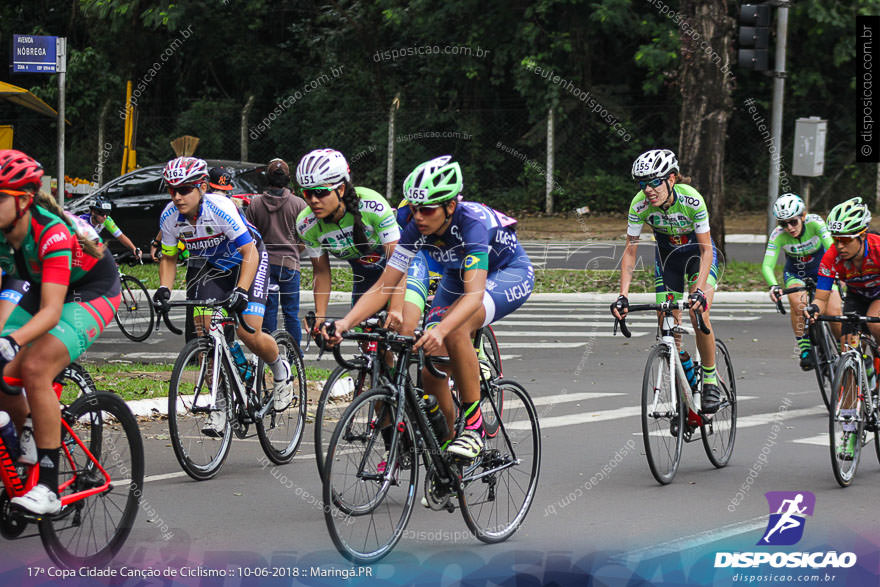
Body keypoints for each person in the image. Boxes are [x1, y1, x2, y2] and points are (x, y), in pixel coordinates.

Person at [324, 155, 534, 461]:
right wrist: (344, 323)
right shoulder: (415, 226)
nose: (418, 217)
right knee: (430, 367)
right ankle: (446, 455)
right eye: (415, 208)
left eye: (427, 210)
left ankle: (474, 428)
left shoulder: (472, 223)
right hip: (455, 271)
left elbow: (474, 295)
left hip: (507, 271)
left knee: (455, 327)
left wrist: (443, 329)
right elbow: (386, 284)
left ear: (450, 206)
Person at [0, 150, 120, 514]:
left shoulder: (51, 231)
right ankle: (22, 445)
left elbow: (52, 311)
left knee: (34, 365)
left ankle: (48, 488)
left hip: (89, 289)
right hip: (32, 282)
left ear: (23, 201)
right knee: (3, 373)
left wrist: (12, 340)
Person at [154, 157, 293, 434]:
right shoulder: (169, 216)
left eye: (184, 189)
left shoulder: (221, 208)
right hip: (212, 268)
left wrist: (242, 290)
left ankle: (281, 371)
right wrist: (164, 289)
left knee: (248, 331)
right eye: (172, 190)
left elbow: (249, 251)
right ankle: (219, 404)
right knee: (206, 334)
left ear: (202, 186)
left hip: (249, 259)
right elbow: (168, 257)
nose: (177, 196)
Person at [610, 148, 722, 413]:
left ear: (671, 179)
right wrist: (623, 295)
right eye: (642, 183)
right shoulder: (639, 204)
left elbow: (706, 249)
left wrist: (699, 292)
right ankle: (685, 380)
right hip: (668, 261)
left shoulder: (692, 200)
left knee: (698, 315)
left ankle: (709, 379)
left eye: (654, 182)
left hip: (699, 257)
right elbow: (630, 251)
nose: (648, 189)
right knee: (666, 328)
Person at [805, 197, 877, 459]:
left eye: (846, 239)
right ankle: (849, 432)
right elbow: (823, 297)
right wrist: (813, 309)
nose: (840, 245)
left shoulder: (878, 248)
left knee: (875, 321)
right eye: (836, 239)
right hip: (856, 296)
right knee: (849, 349)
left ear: (862, 235)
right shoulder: (832, 255)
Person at [295, 149, 400, 324]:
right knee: (364, 335)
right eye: (307, 193)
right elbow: (321, 272)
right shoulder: (306, 224)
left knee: (402, 329)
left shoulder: (373, 205)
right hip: (366, 277)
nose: (313, 200)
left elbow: (398, 261)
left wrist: (395, 308)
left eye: (320, 192)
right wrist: (320, 316)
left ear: (341, 189)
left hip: (402, 269)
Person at [763, 193, 841, 369]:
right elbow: (767, 266)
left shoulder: (815, 223)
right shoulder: (778, 235)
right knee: (797, 303)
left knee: (833, 310)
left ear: (803, 216)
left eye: (793, 221)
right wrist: (773, 285)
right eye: (783, 223)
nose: (789, 228)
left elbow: (831, 247)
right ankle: (805, 348)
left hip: (822, 270)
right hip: (795, 274)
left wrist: (837, 271)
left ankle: (840, 346)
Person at [245, 158, 307, 352]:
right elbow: (305, 238)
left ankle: (270, 357)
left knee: (268, 312)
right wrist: (293, 251)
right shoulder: (299, 205)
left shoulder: (255, 204)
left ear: (267, 178)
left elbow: (249, 238)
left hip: (264, 267)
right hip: (290, 266)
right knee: (291, 314)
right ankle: (295, 356)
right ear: (288, 178)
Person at [80, 194, 141, 260]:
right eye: (102, 213)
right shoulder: (82, 221)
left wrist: (134, 248)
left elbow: (121, 236)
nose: (105, 217)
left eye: (107, 213)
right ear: (93, 212)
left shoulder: (107, 220)